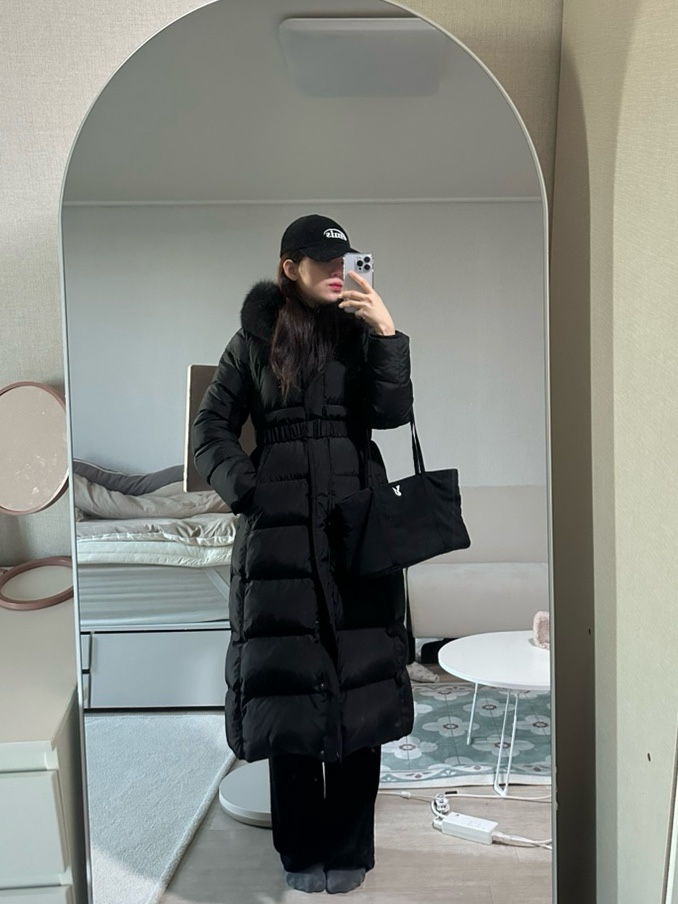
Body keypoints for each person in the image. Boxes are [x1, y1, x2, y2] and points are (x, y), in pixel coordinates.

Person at [191, 214, 415, 895]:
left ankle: (347, 848)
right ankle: (299, 850)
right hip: (279, 530)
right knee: (287, 692)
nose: (336, 271)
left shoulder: (360, 332)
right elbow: (211, 429)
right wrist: (251, 490)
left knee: (359, 687)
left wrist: (386, 333)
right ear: (289, 266)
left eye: (344, 260)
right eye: (322, 261)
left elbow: (391, 414)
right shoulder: (252, 340)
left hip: (356, 522)